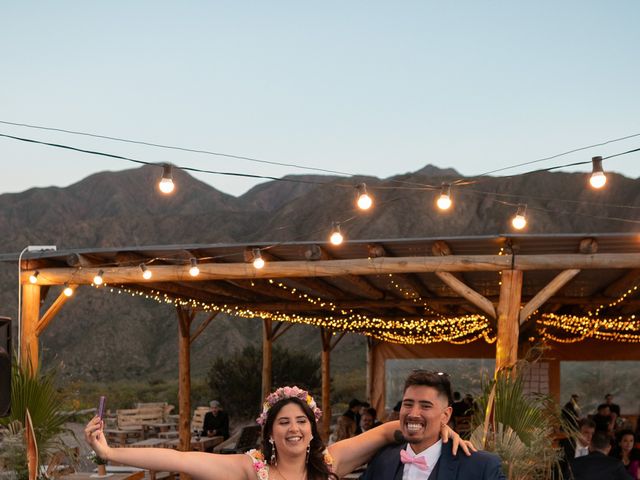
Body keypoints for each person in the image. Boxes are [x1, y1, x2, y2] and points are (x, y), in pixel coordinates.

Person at [85, 385, 474, 479]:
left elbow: (394, 430)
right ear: (270, 431)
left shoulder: (330, 461)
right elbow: (178, 458)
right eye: (284, 422)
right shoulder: (251, 468)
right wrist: (110, 453)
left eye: (301, 421)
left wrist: (444, 431)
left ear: (312, 428)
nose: (294, 429)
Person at [361, 370, 505, 479]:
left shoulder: (481, 467)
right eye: (408, 404)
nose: (413, 414)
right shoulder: (381, 460)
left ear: (446, 415)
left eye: (425, 406)